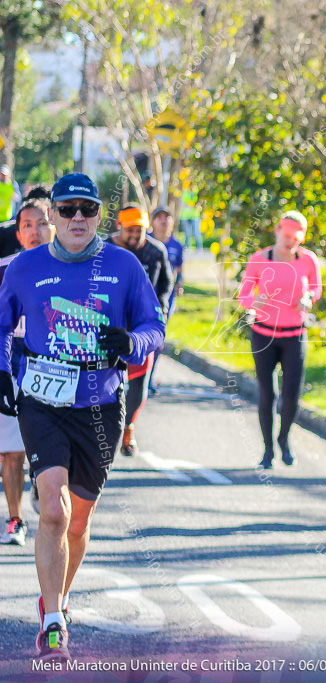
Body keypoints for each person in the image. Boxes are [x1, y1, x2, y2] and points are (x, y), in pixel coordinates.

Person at [0, 172, 164, 661]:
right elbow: (3, 325)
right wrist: (3, 372)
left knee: (78, 519)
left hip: (99, 402)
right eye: (66, 208)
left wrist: (132, 344)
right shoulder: (24, 267)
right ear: (50, 214)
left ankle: (59, 597)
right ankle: (53, 623)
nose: (76, 218)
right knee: (52, 508)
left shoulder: (125, 266)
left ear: (99, 216)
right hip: (43, 399)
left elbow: (153, 325)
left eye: (86, 210)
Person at [237, 210, 322, 469]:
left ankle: (284, 439)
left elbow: (316, 288)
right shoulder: (259, 260)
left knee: (292, 397)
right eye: (286, 236)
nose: (290, 242)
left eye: (295, 238)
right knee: (268, 394)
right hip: (264, 334)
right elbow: (243, 296)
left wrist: (308, 299)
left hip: (294, 335)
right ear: (277, 230)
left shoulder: (308, 260)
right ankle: (268, 450)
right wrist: (255, 301)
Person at [0, 198, 55, 546]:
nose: (34, 232)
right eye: (27, 226)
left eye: (41, 224)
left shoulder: (70, 269)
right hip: (11, 362)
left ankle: (41, 482)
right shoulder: (5, 268)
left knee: (49, 446)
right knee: (10, 451)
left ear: (54, 227)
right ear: (19, 234)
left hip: (51, 366)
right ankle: (15, 519)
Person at [105, 204, 173, 457]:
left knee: (138, 383)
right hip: (109, 327)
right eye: (130, 231)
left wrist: (162, 310)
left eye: (140, 231)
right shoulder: (104, 248)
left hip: (142, 330)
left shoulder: (156, 252)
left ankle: (128, 425)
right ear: (119, 227)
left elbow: (165, 285)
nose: (135, 236)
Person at [148, 206, 184, 394]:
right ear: (152, 221)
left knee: (157, 339)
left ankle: (149, 377)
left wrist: (179, 284)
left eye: (167, 217)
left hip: (165, 300)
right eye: (159, 217)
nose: (163, 221)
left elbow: (178, 270)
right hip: (144, 296)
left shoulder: (176, 246)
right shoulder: (144, 241)